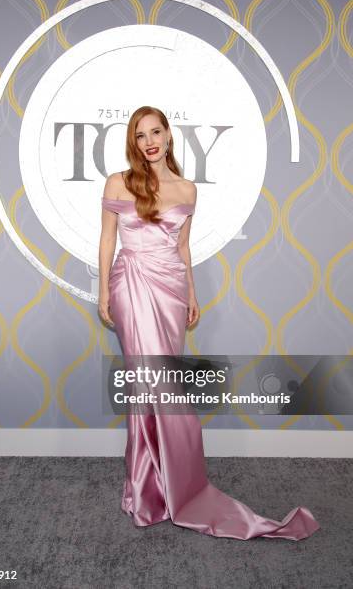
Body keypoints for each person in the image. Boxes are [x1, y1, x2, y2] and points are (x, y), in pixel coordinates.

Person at [98, 105, 320, 540]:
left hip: (171, 289)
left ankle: (163, 485)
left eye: (156, 131)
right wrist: (104, 290)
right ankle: (147, 488)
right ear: (133, 142)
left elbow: (182, 247)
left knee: (160, 383)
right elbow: (107, 239)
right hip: (132, 283)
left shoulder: (187, 189)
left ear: (168, 135)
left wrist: (193, 293)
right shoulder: (118, 182)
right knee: (148, 382)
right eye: (141, 135)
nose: (150, 141)